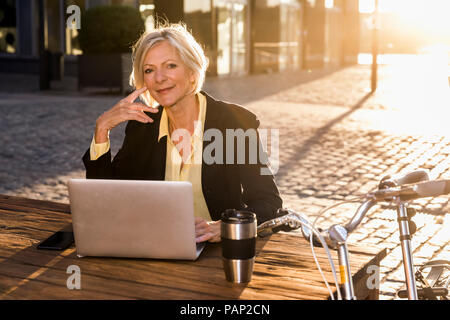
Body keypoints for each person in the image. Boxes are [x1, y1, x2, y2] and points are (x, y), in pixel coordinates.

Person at [82, 23, 282, 243]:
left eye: (170, 66)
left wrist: (225, 227)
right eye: (149, 70)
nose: (159, 78)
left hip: (218, 255)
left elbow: (268, 203)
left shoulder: (235, 123)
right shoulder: (142, 126)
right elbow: (107, 199)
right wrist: (102, 129)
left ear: (192, 73)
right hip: (155, 248)